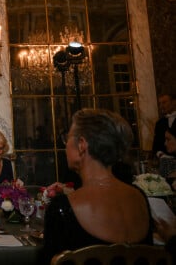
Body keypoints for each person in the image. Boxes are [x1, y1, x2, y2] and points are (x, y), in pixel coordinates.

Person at [42, 109, 153, 264]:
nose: (65, 145)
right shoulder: (139, 197)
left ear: (81, 145)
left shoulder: (63, 208)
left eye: (66, 138)